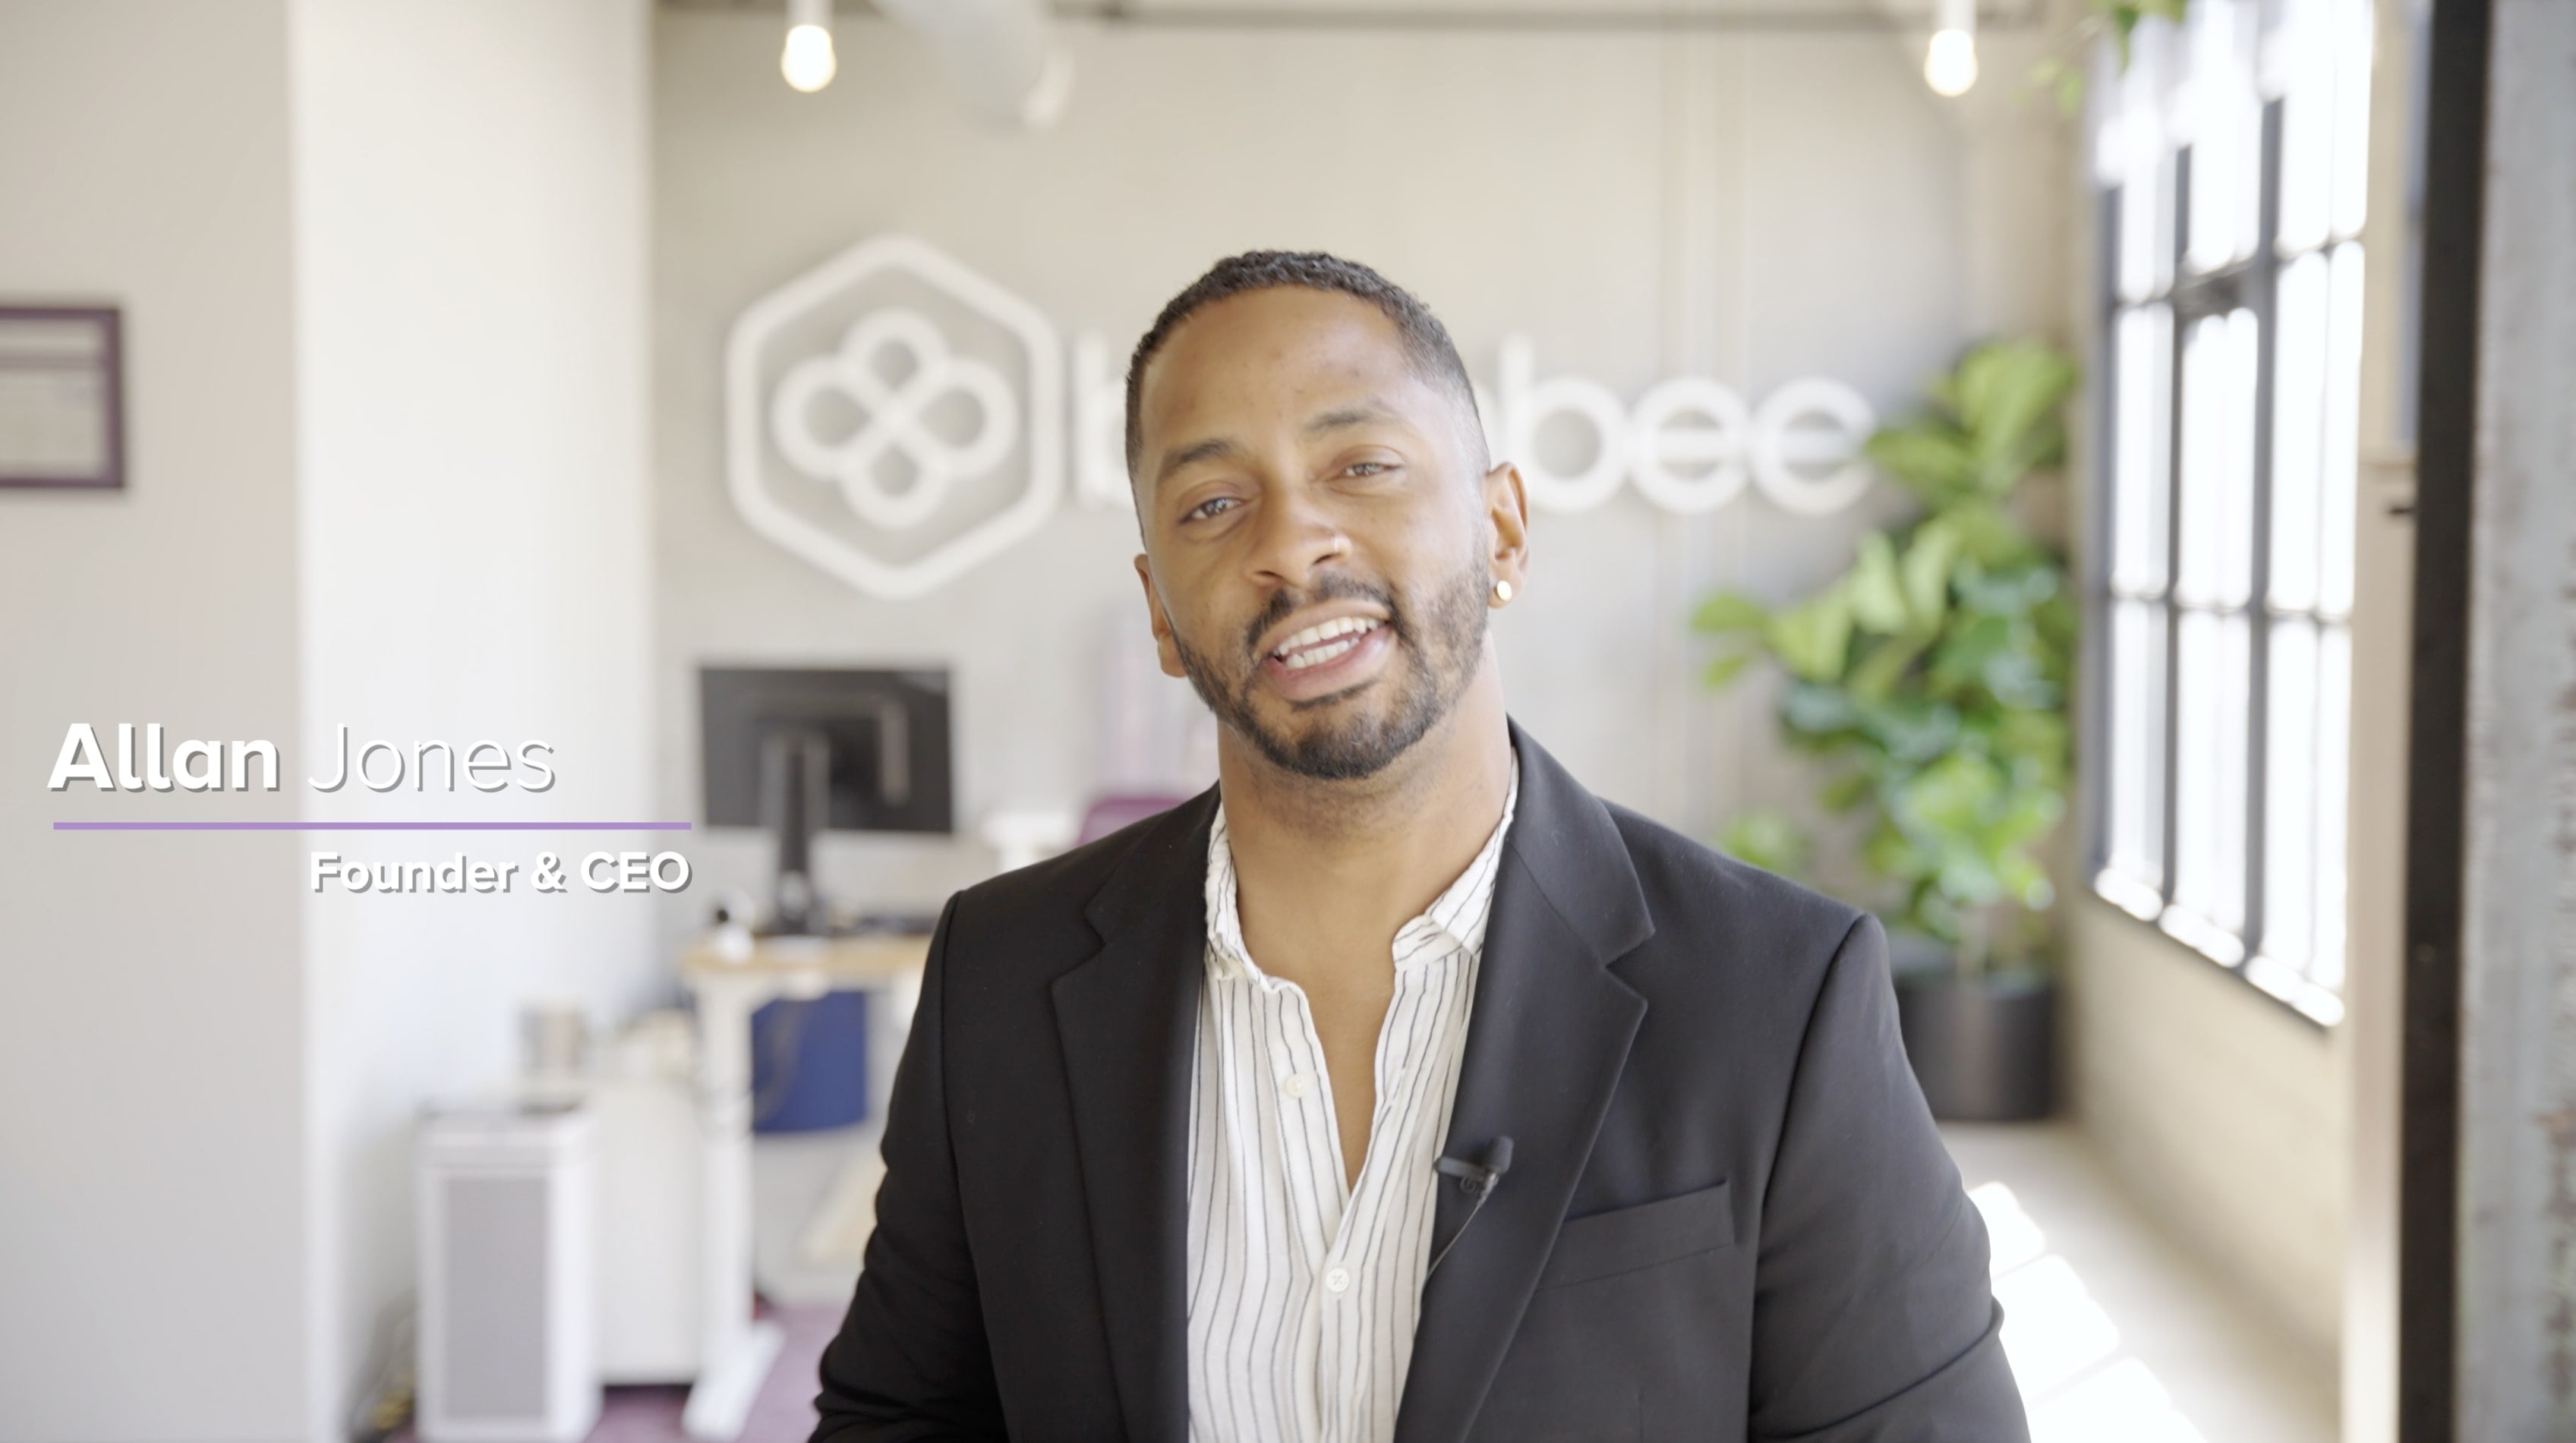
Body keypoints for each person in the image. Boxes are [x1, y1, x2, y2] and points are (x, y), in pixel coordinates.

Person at [812, 252, 2027, 1442]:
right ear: (1161, 616)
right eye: (1213, 503)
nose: (1293, 541)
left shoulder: (1779, 992)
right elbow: (899, 1414)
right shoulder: (999, 974)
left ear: (1501, 529)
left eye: (1361, 465)